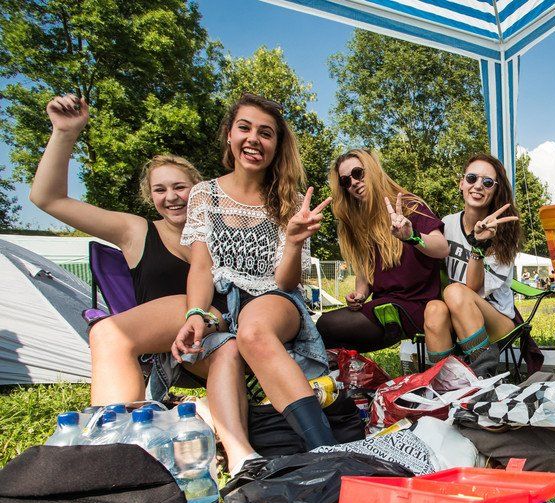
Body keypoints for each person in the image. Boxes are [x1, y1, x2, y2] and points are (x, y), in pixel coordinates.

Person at [28, 94, 226, 405]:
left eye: (180, 187)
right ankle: (119, 427)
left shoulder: (221, 230)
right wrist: (65, 133)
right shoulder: (136, 231)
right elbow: (47, 198)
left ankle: (116, 432)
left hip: (216, 327)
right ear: (150, 196)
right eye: (160, 190)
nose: (171, 197)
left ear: (198, 189)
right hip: (169, 351)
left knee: (109, 332)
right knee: (107, 333)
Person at [172, 93, 332, 473]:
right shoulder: (204, 194)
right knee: (220, 344)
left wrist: (293, 242)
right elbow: (201, 266)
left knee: (253, 331)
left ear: (276, 145)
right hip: (220, 300)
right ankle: (238, 454)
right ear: (229, 134)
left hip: (273, 296)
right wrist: (195, 313)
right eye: (244, 128)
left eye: (266, 133)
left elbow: (287, 281)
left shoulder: (291, 201)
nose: (253, 139)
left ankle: (327, 453)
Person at [316, 149, 448, 352]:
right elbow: (365, 274)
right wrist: (359, 295)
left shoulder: (408, 206)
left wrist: (412, 236)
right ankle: (352, 371)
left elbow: (442, 248)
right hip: (384, 308)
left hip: (418, 306)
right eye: (346, 181)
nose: (354, 183)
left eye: (358, 173)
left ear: (373, 170)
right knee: (328, 337)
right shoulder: (358, 223)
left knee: (325, 326)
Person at [423, 154, 521, 368]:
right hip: (455, 311)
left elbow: (472, 288)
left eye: (487, 182)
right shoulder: (447, 223)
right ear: (462, 183)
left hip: (497, 319)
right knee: (434, 309)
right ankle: (447, 380)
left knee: (455, 292)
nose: (478, 186)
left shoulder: (503, 231)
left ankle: (483, 374)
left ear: (495, 190)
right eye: (471, 178)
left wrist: (478, 245)